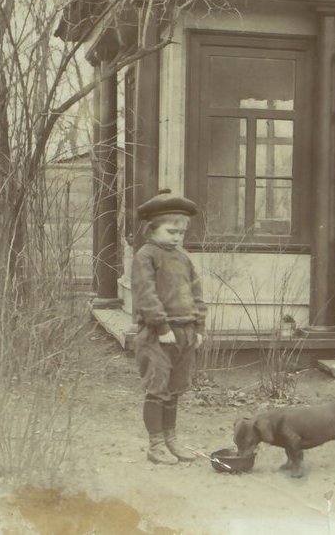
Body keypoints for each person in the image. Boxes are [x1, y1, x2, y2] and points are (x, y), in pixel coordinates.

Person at [132, 189, 206, 465]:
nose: (177, 237)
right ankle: (156, 445)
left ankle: (171, 440)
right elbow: (145, 295)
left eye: (181, 233)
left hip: (185, 332)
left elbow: (196, 293)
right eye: (171, 231)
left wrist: (199, 327)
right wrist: (162, 328)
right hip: (157, 334)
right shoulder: (146, 256)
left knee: (175, 388)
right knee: (157, 387)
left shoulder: (183, 257)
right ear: (151, 230)